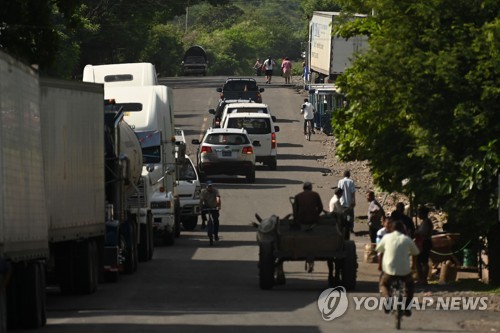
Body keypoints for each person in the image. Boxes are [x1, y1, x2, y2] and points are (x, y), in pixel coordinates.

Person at [376, 220, 420, 316]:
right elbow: (415, 253)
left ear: (392, 228)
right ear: (403, 230)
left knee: (383, 284)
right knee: (410, 286)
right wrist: (413, 266)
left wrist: (380, 265)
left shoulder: (386, 238)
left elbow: (380, 252)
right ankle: (407, 307)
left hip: (389, 270)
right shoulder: (407, 239)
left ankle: (387, 298)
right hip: (404, 271)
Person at [414, 205, 433, 285]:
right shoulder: (423, 222)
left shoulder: (427, 222)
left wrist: (417, 233)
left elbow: (424, 233)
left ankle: (423, 279)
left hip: (425, 243)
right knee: (418, 261)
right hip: (421, 242)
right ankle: (420, 278)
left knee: (423, 261)